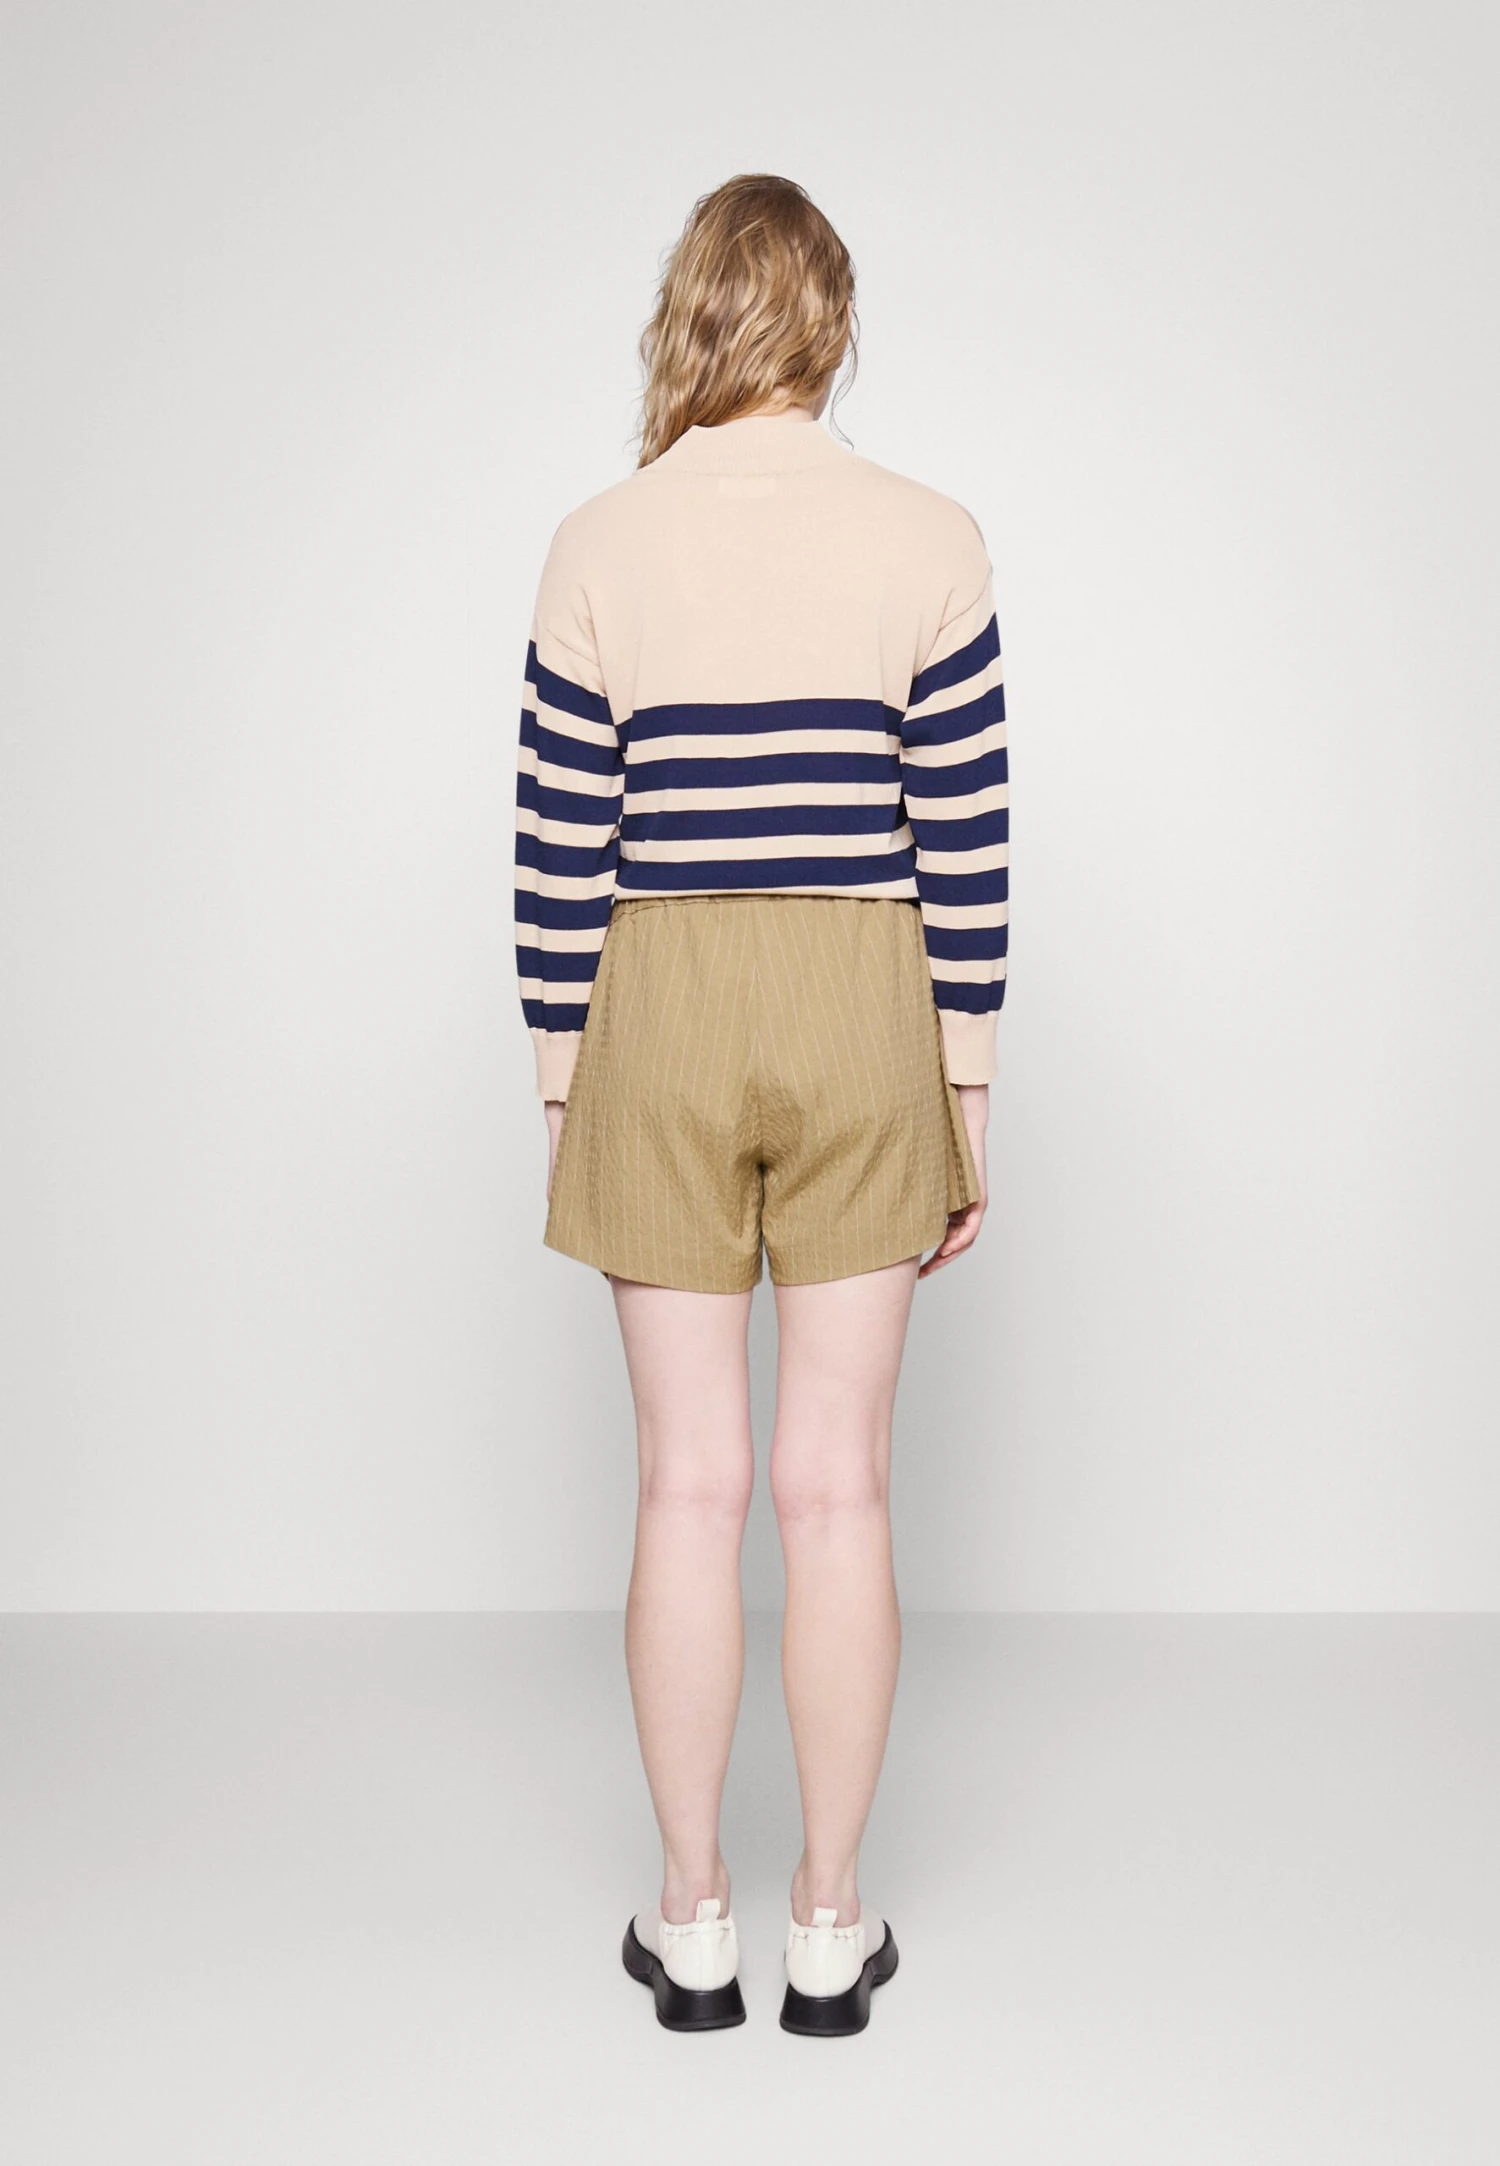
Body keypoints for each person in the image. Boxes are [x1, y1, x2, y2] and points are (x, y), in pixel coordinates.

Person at [513, 174, 1008, 2037]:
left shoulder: (596, 540)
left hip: (658, 999)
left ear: (692, 313)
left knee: (688, 1481)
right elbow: (966, 839)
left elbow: (557, 850)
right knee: (837, 1485)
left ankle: (691, 1918)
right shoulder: (932, 537)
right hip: (865, 995)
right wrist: (967, 1085)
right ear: (833, 323)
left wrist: (566, 1084)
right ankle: (830, 1924)